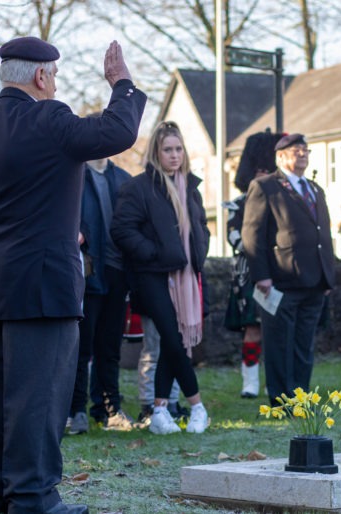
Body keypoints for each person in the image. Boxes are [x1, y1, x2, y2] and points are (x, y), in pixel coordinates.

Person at [0, 37, 146, 514]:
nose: (54, 84)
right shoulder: (50, 118)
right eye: (54, 76)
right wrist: (121, 83)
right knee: (38, 401)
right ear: (41, 76)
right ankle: (34, 499)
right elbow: (119, 131)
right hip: (41, 288)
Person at [110, 121, 210, 435]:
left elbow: (201, 229)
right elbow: (122, 230)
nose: (174, 155)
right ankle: (197, 407)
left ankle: (160, 411)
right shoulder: (139, 187)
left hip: (185, 277)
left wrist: (198, 253)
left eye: (178, 149)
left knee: (172, 341)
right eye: (167, 149)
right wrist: (155, 254)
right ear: (156, 152)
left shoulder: (191, 187)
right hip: (152, 276)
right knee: (174, 338)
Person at [242, 133, 336, 406]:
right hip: (280, 280)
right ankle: (281, 403)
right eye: (297, 150)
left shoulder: (315, 189)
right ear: (280, 156)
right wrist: (261, 276)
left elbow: (323, 234)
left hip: (314, 281)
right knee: (279, 343)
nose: (303, 154)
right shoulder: (265, 186)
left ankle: (300, 399)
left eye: (305, 150)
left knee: (304, 345)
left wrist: (328, 274)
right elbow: (252, 235)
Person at [67, 124, 136, 436]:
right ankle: (75, 410)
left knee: (110, 346)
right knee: (80, 346)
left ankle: (109, 409)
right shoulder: (72, 176)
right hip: (85, 272)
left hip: (117, 273)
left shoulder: (124, 180)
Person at [223, 131, 283, 398]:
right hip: (248, 275)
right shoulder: (238, 204)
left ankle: (275, 381)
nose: (261, 174)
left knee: (277, 330)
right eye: (257, 170)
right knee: (252, 330)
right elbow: (233, 235)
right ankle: (250, 382)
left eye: (266, 170)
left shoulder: (282, 202)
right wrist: (253, 249)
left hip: (279, 271)